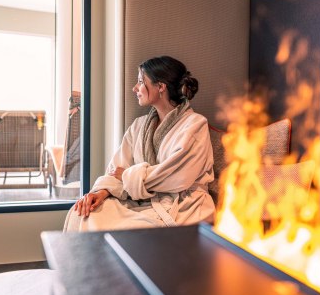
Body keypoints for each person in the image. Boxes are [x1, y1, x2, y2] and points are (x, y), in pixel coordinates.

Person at [64, 56, 215, 231]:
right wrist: (101, 192)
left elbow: (178, 177)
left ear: (160, 87)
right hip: (145, 201)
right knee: (83, 213)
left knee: (126, 229)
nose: (135, 88)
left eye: (140, 81)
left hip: (184, 205)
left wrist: (127, 175)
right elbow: (117, 169)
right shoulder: (139, 125)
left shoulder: (195, 125)